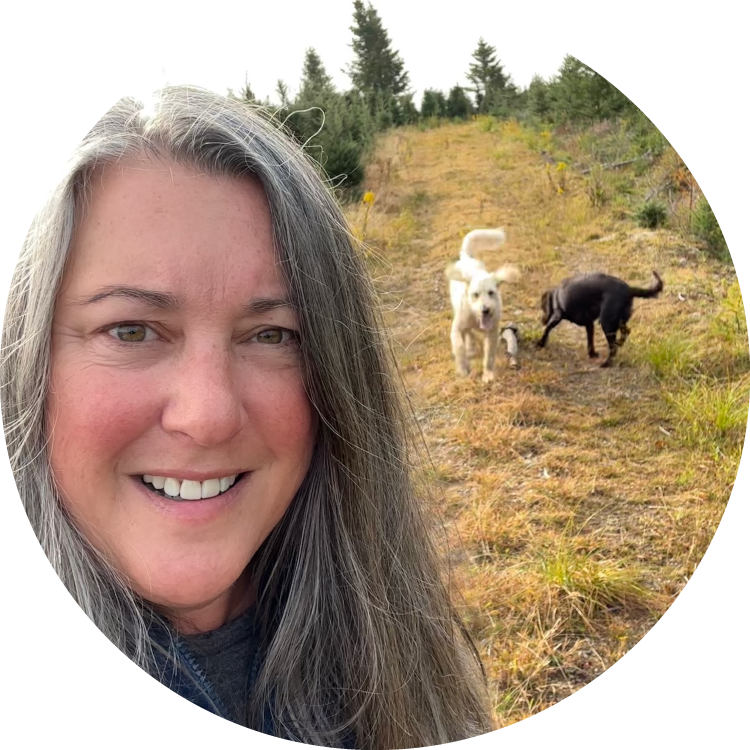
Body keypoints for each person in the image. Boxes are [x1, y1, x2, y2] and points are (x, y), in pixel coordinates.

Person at [2, 87, 491, 746]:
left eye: (272, 335)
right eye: (131, 330)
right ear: (25, 359)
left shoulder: (392, 655)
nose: (208, 416)